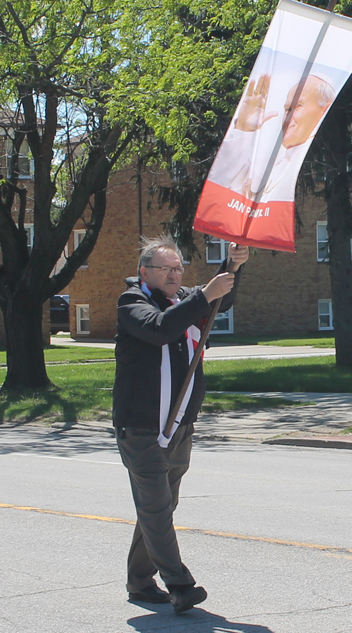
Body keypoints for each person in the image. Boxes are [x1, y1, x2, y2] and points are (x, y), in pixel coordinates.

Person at [113, 235, 249, 614]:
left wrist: (233, 265)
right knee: (156, 508)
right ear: (145, 272)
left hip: (179, 428)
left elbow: (219, 298)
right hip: (141, 428)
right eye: (166, 269)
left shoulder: (184, 299)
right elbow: (160, 328)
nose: (175, 275)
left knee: (160, 506)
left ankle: (140, 582)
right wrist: (203, 295)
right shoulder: (133, 303)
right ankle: (179, 584)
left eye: (178, 269)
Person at [207, 72, 335, 201]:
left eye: (298, 106)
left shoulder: (327, 159)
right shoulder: (264, 170)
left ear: (324, 109)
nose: (287, 119)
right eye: (287, 109)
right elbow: (218, 196)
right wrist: (243, 129)